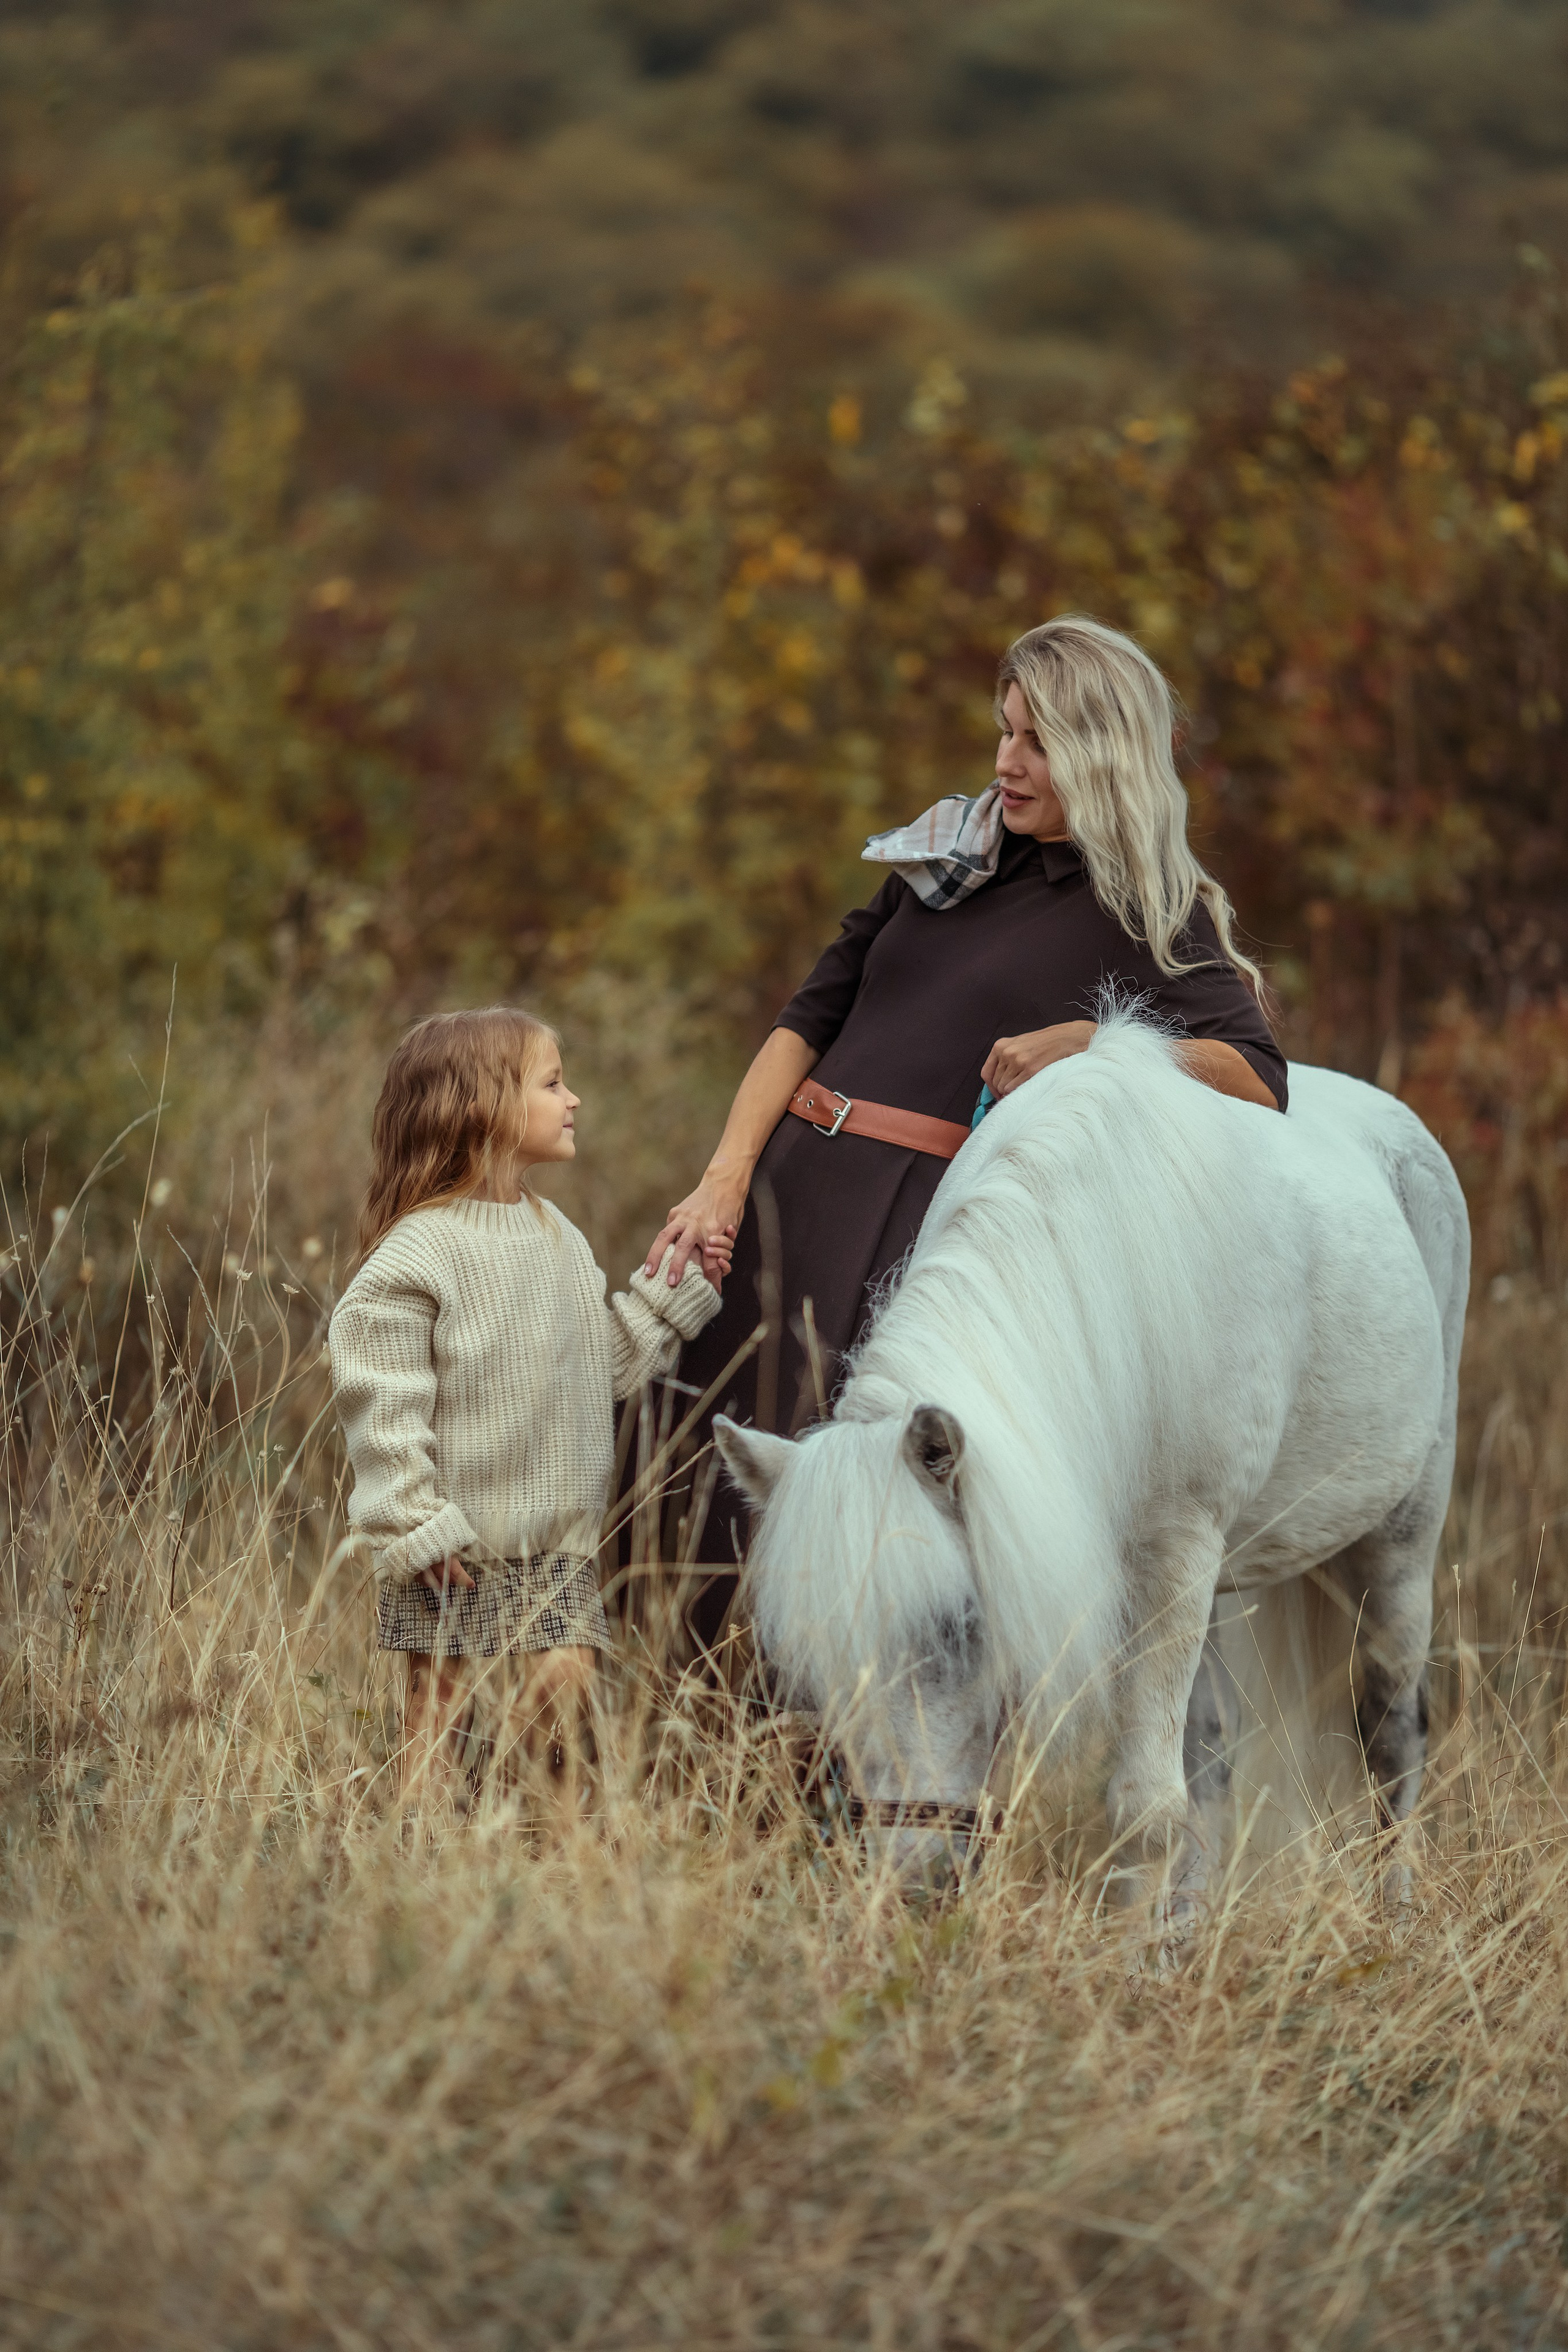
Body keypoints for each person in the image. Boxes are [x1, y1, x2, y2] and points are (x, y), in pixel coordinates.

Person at [643, 616, 1287, 1642]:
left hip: (908, 1233)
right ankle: (670, 1782)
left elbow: (1257, 1077)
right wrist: (724, 1180)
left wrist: (1090, 1041)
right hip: (783, 1191)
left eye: (1034, 742)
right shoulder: (947, 856)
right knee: (694, 1478)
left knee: (839, 1510)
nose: (1005, 763)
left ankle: (827, 1782)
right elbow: (807, 1020)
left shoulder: (1151, 910)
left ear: (1099, 750)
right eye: (1003, 733)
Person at [329, 1006, 722, 1803]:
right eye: (552, 1083)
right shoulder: (420, 1251)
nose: (572, 1099)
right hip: (452, 1547)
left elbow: (594, 1368)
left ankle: (507, 1806)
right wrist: (411, 1521)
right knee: (436, 1714)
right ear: (483, 1108)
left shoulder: (559, 1237)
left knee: (567, 1674)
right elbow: (382, 1398)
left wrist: (670, 1294)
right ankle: (425, 1846)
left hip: (555, 1541)